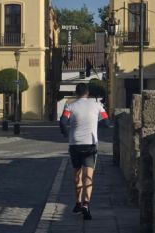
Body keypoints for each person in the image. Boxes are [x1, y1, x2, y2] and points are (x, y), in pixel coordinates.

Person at [59, 83, 109, 221]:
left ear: (76, 93)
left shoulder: (70, 106)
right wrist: (93, 124)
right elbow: (106, 122)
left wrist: (65, 133)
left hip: (75, 144)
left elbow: (63, 122)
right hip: (90, 145)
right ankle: (86, 205)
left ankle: (77, 203)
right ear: (88, 93)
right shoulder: (97, 105)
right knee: (88, 176)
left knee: (77, 174)